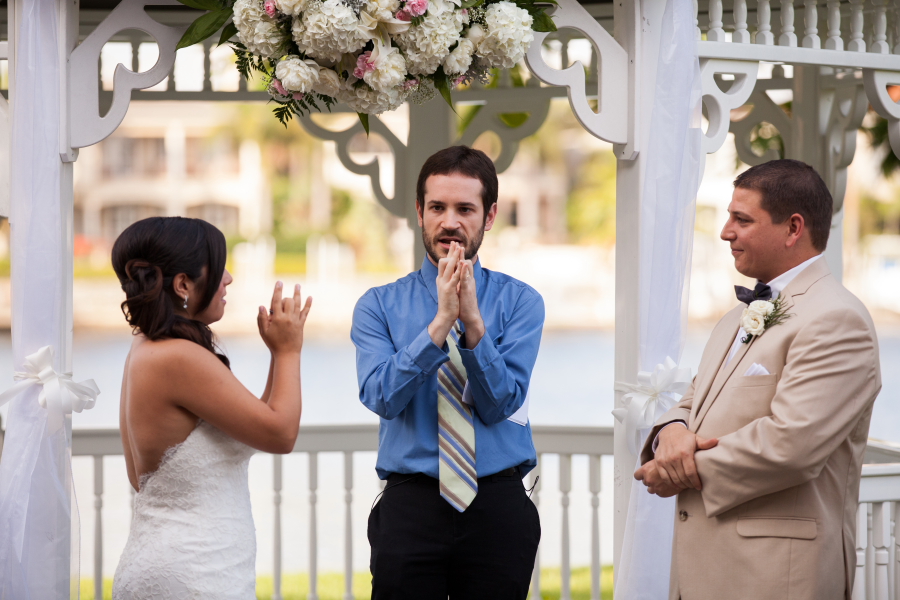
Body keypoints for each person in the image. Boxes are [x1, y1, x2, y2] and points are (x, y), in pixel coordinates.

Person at [634, 159, 881, 600]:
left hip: (775, 577)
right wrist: (670, 431)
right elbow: (693, 402)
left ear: (793, 228)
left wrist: (678, 470)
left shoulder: (838, 320)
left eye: (741, 219)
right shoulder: (734, 318)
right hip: (704, 571)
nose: (726, 231)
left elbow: (792, 445)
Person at [352, 146, 543, 599]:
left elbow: (501, 404)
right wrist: (439, 324)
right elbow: (380, 396)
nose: (450, 222)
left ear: (490, 215)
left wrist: (474, 324)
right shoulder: (377, 305)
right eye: (437, 207)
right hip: (410, 506)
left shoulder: (521, 303)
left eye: (465, 209)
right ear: (419, 212)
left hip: (497, 507)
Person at [110, 217, 312, 600]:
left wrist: (274, 354)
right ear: (183, 284)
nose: (229, 278)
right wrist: (290, 351)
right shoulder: (178, 358)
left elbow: (259, 425)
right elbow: (281, 433)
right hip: (193, 575)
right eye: (219, 267)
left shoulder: (149, 349)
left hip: (182, 566)